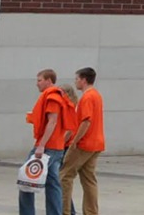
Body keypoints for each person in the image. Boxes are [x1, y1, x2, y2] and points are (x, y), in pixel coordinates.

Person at [22, 68, 75, 215]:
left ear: (49, 81)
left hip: (48, 147)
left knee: (26, 181)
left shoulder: (53, 97)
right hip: (56, 147)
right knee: (53, 184)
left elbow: (52, 121)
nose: (37, 84)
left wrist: (41, 145)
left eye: (39, 80)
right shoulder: (56, 96)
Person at [61, 67, 104, 215]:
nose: (76, 82)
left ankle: (64, 211)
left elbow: (86, 121)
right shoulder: (96, 95)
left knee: (64, 176)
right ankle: (91, 212)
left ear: (84, 80)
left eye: (77, 79)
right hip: (97, 143)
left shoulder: (87, 97)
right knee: (88, 179)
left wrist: (74, 142)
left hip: (84, 144)